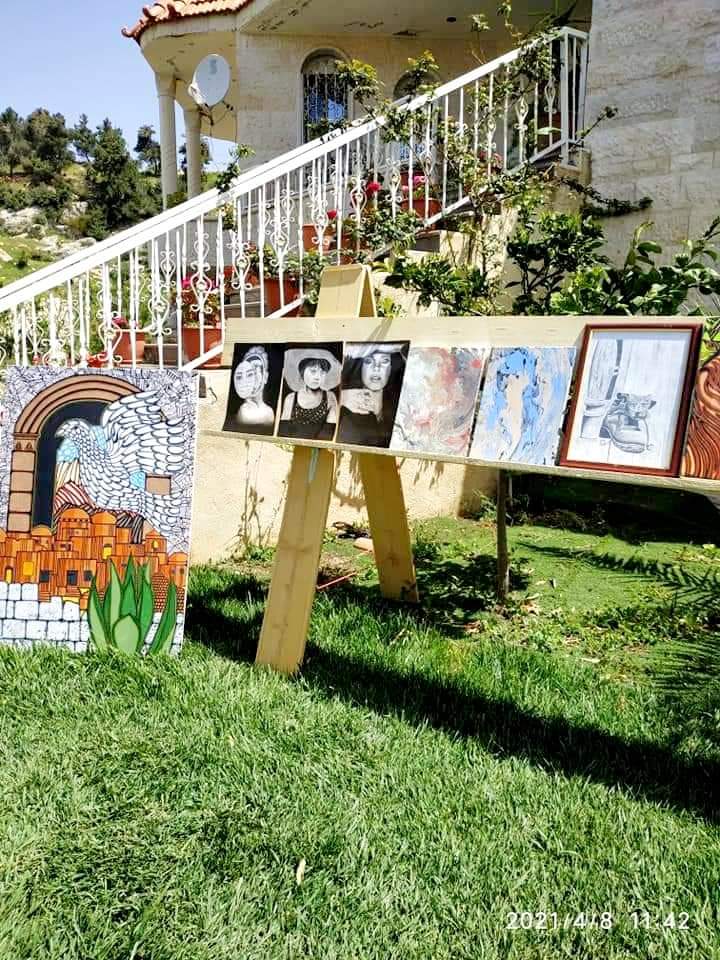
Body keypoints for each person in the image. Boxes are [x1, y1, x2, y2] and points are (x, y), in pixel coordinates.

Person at [337, 343, 408, 447]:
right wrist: (341, 398)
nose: (376, 368)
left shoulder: (401, 401)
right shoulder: (346, 403)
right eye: (368, 361)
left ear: (391, 368)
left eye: (384, 361)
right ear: (361, 367)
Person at [278, 347, 342, 440]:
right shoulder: (291, 398)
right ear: (302, 372)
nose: (317, 377)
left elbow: (330, 432)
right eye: (313, 371)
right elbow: (283, 431)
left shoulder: (330, 397)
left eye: (322, 372)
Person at [229, 345, 276, 432]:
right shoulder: (243, 411)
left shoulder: (269, 412)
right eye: (248, 370)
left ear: (265, 377)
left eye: (256, 367)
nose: (253, 374)